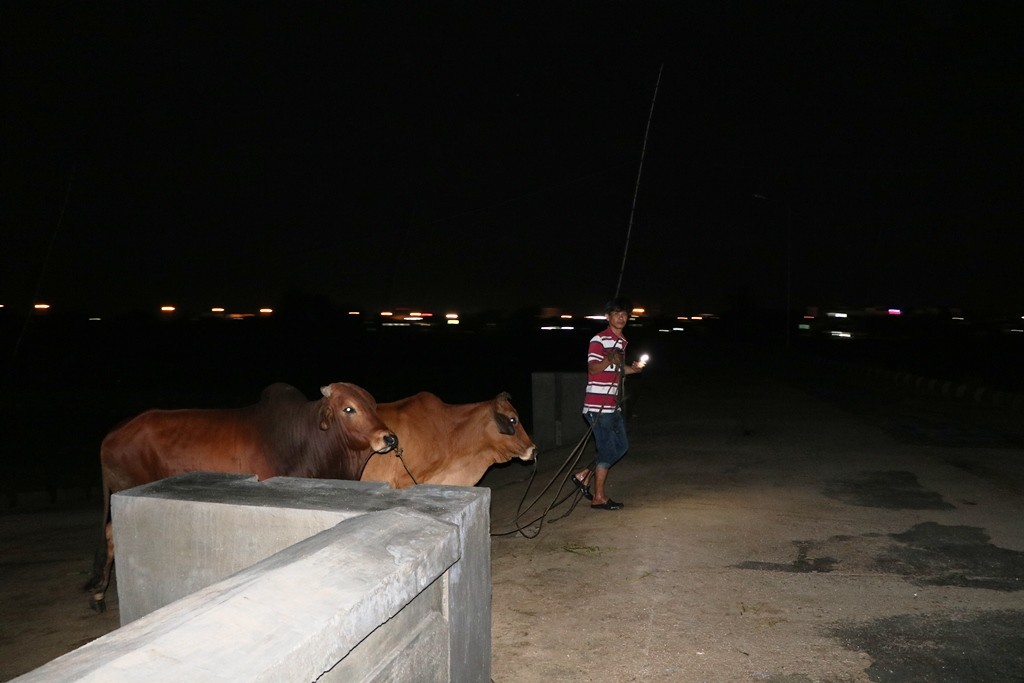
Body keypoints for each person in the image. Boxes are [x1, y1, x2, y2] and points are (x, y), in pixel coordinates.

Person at [570, 296, 645, 510]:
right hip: (597, 406)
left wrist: (634, 369)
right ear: (608, 317)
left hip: (613, 405)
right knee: (606, 449)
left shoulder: (622, 342)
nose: (621, 317)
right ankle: (599, 497)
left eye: (625, 314)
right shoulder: (599, 339)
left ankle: (584, 474)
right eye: (617, 314)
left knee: (620, 447)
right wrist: (608, 360)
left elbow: (618, 372)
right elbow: (593, 369)